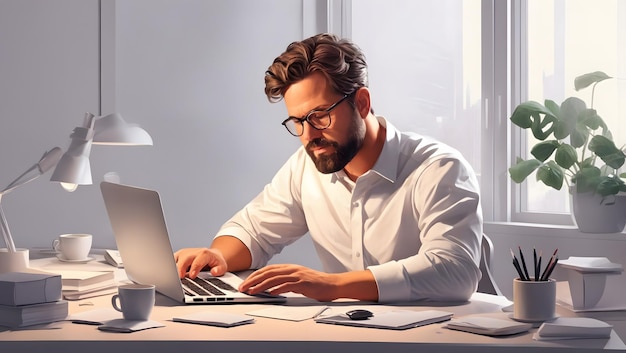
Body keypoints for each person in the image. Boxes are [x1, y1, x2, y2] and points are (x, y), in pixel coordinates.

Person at [175, 33, 483, 303]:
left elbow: (456, 270)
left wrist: (332, 285)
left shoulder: (438, 168)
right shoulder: (306, 166)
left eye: (319, 116)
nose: (308, 136)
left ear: (361, 103)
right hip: (346, 334)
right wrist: (217, 258)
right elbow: (253, 230)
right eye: (297, 122)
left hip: (434, 338)